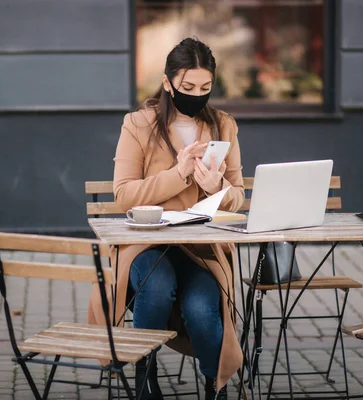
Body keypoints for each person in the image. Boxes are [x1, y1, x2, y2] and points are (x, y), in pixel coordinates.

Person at [88, 37, 245, 400]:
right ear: (167, 83)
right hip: (147, 242)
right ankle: (145, 375)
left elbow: (237, 198)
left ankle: (215, 385)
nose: (196, 94)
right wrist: (177, 174)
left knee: (202, 309)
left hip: (200, 245)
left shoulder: (223, 126)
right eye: (187, 87)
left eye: (205, 87)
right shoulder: (138, 124)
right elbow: (123, 193)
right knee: (156, 287)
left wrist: (216, 185)